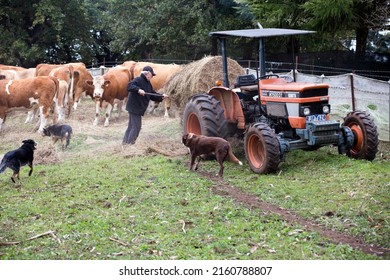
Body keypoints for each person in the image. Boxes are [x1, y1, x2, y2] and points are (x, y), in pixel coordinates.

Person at [122, 66, 168, 145]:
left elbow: (153, 95)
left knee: (131, 126)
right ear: (147, 73)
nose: (152, 76)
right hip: (134, 108)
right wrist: (138, 90)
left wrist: (162, 96)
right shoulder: (138, 80)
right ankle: (130, 145)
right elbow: (129, 86)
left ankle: (125, 143)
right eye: (152, 75)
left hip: (137, 109)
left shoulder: (148, 84)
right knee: (136, 127)